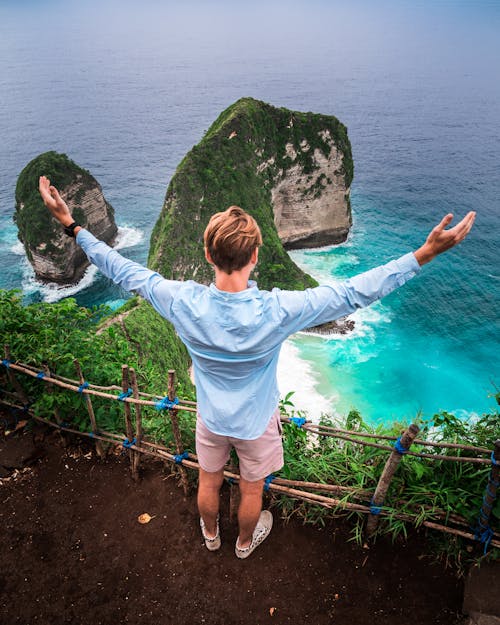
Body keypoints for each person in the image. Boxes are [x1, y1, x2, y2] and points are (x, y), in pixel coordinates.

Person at [38, 175, 475, 559]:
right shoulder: (279, 310)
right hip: (255, 423)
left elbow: (122, 269)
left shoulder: (181, 300)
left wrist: (72, 225)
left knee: (208, 483)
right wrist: (422, 255)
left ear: (208, 256)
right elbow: (351, 294)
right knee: (252, 489)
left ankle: (210, 535)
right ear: (255, 258)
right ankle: (244, 544)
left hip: (211, 418)